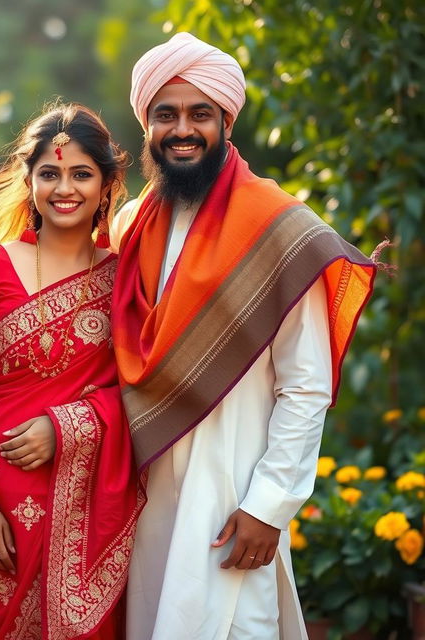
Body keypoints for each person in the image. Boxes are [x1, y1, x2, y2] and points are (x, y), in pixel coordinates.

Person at [109, 32, 376, 639]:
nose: (182, 129)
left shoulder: (279, 228)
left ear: (226, 120)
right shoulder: (131, 225)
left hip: (232, 504)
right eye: (166, 114)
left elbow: (306, 385)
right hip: (142, 505)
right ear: (146, 123)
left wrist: (269, 505)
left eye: (200, 113)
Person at [0, 103, 144, 640]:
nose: (64, 188)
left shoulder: (125, 281)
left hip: (86, 504)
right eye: (49, 174)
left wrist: (69, 425)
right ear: (29, 181)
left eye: (81, 173)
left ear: (107, 184)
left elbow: (144, 391)